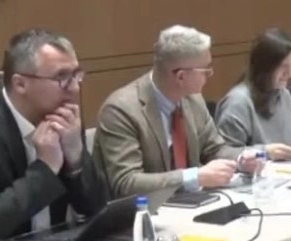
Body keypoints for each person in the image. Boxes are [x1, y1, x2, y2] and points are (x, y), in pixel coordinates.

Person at [94, 26, 264, 197]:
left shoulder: (193, 100)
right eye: (205, 70)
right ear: (181, 76)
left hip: (191, 205)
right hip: (143, 210)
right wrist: (194, 177)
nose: (209, 75)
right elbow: (127, 183)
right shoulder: (121, 111)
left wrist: (241, 160)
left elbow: (214, 149)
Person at [0, 30, 107, 238]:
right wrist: (45, 169)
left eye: (76, 75)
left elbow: (98, 208)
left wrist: (75, 161)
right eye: (62, 77)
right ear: (20, 84)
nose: (75, 88)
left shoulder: (64, 117)